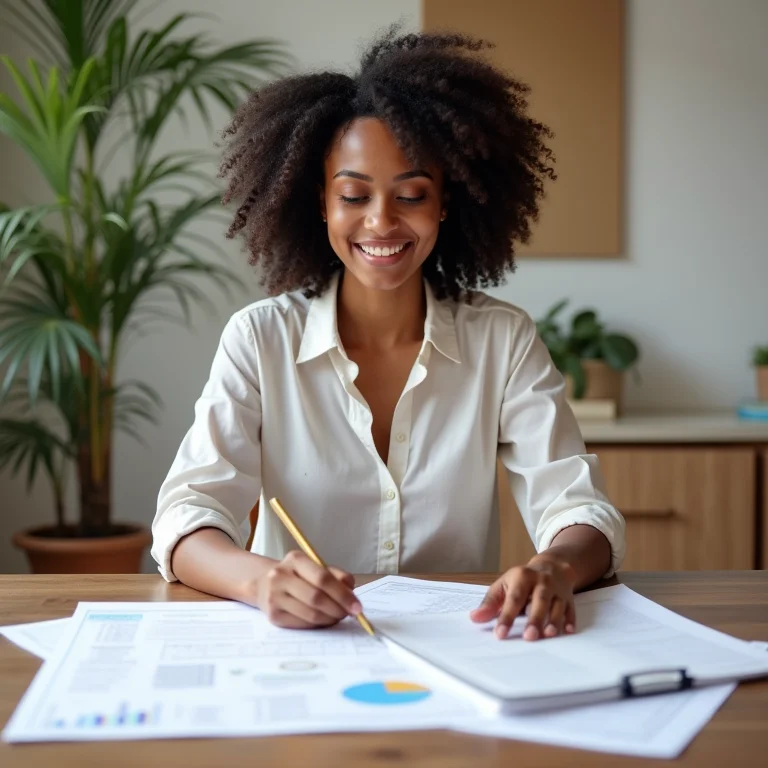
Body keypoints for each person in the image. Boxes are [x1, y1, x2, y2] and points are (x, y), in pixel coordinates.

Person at [151, 28, 625, 642]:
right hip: (303, 654)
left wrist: (554, 566)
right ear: (320, 202)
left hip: (467, 647)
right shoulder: (260, 339)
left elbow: (577, 506)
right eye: (353, 195)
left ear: (445, 203)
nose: (381, 222)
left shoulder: (501, 340)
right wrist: (261, 580)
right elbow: (187, 517)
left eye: (410, 195)